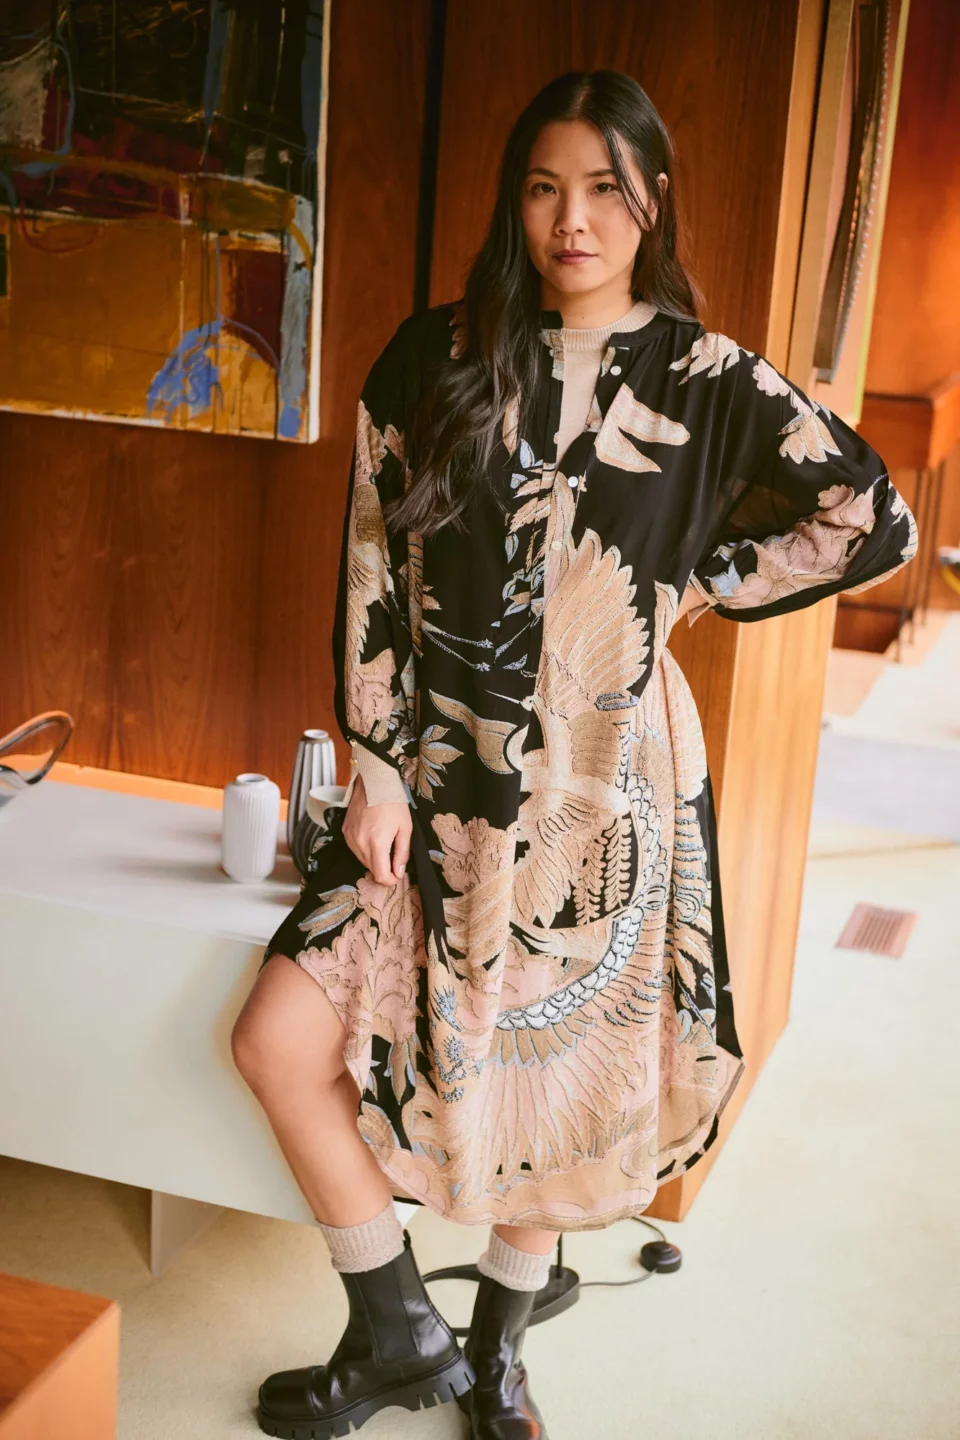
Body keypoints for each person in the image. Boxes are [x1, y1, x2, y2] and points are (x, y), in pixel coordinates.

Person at [231, 69, 917, 1440]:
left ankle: (495, 1356)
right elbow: (372, 553)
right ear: (515, 200)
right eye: (545, 187)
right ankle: (395, 1329)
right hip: (436, 769)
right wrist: (374, 755)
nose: (573, 220)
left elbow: (869, 518)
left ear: (652, 198)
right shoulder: (431, 359)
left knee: (556, 1081)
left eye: (605, 188)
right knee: (275, 1038)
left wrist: (698, 582)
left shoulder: (709, 380)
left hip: (606, 775)